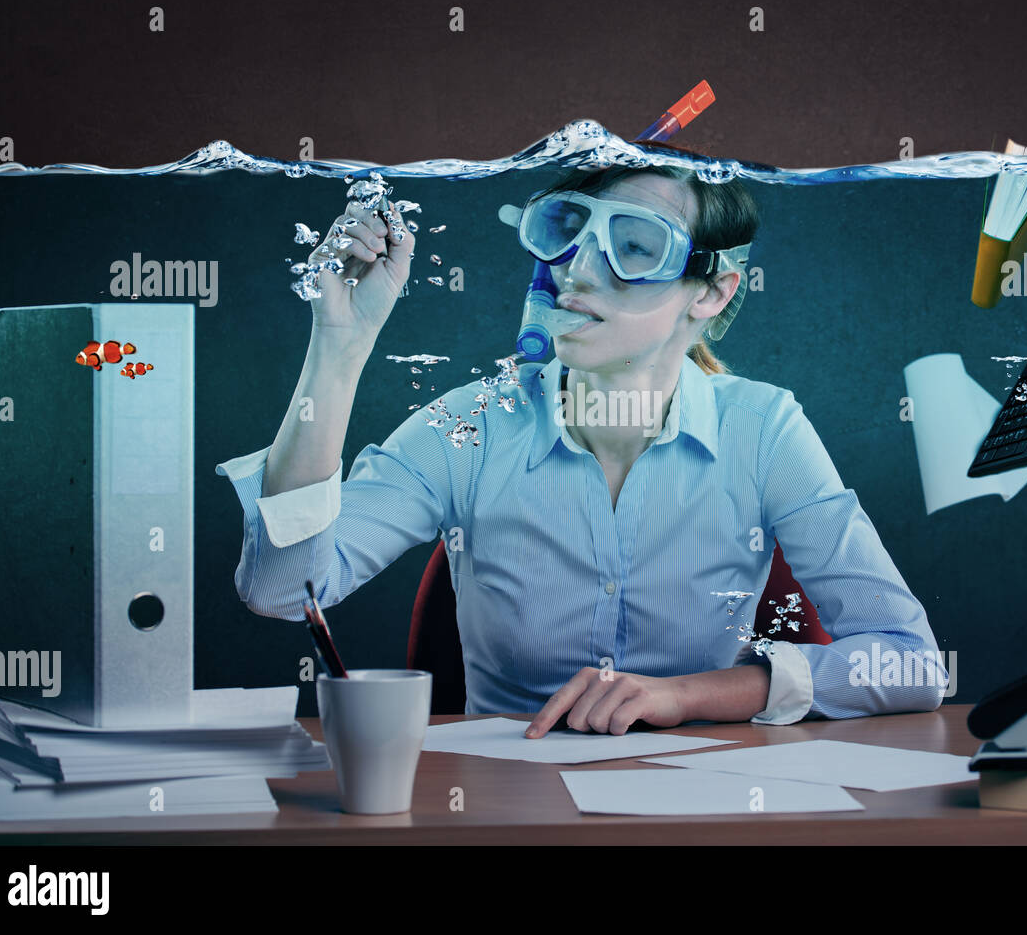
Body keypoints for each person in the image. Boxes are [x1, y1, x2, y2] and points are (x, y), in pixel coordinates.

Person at [216, 147, 946, 738]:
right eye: (567, 232)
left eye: (635, 246)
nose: (582, 270)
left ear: (711, 293)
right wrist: (338, 347)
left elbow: (915, 666)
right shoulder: (469, 425)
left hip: (698, 814)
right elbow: (281, 590)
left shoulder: (762, 429)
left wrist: (690, 696)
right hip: (501, 812)